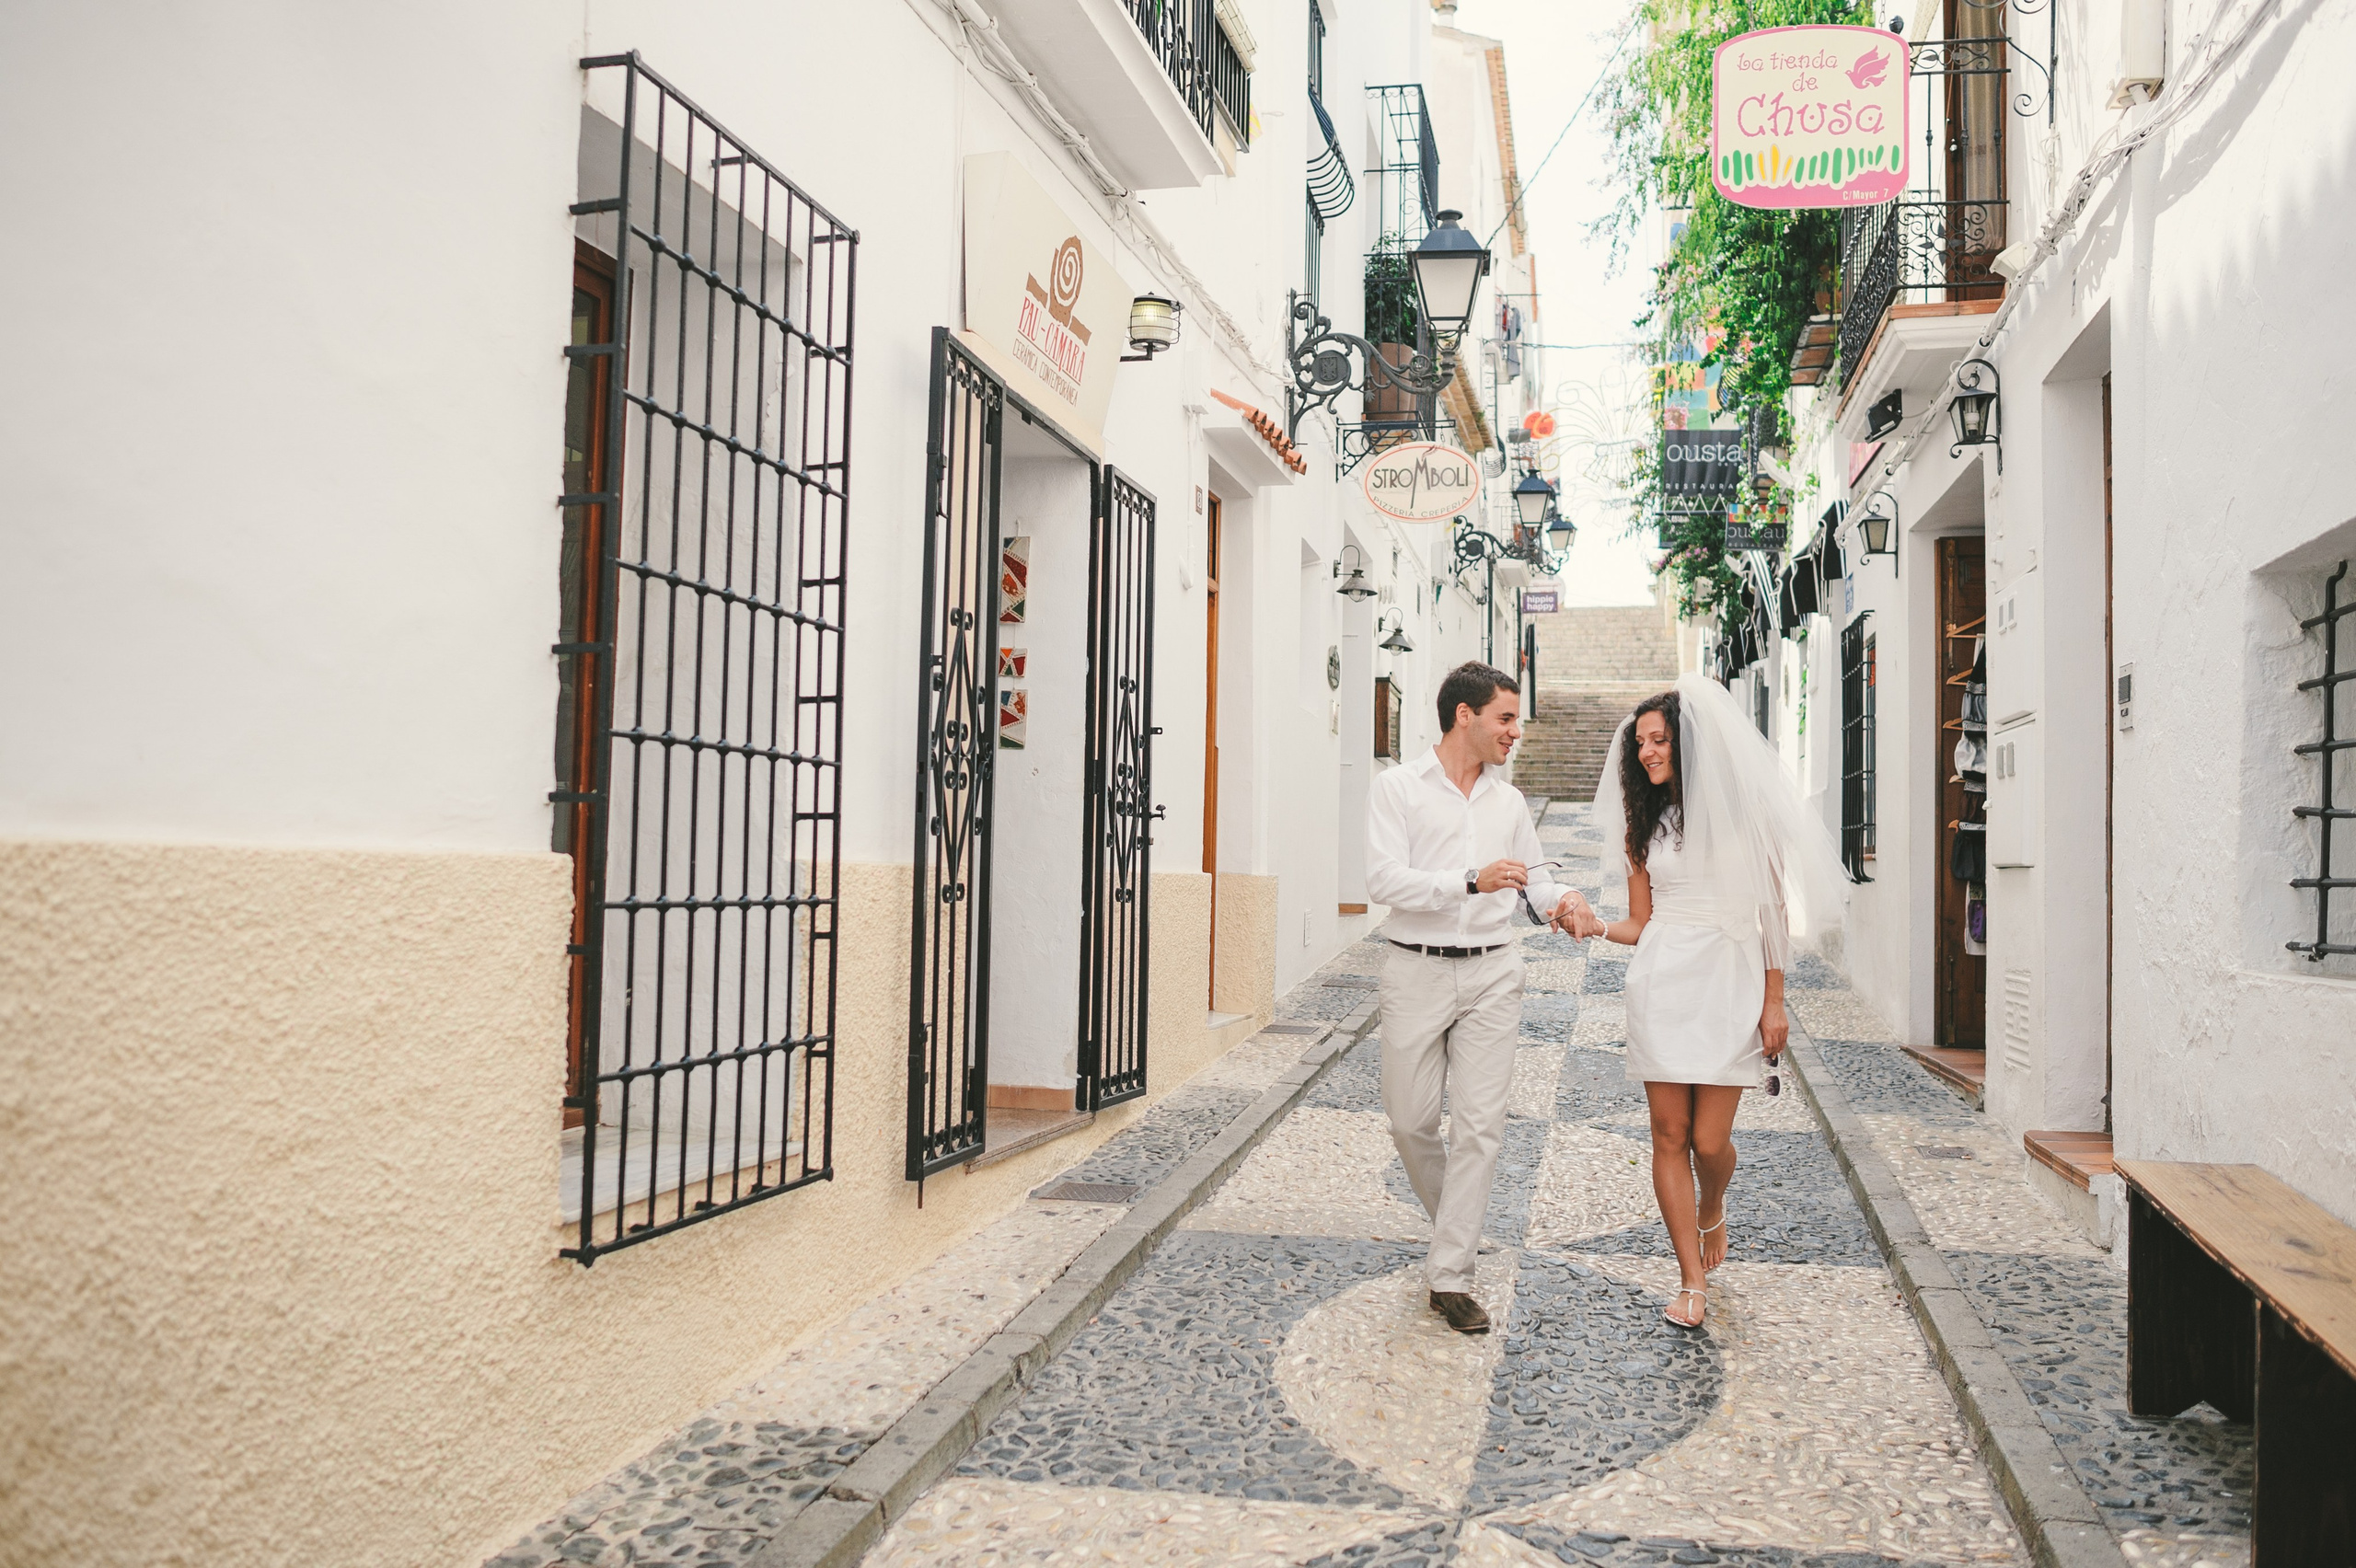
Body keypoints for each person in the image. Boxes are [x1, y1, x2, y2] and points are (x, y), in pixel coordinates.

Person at [1566, 673, 1846, 1330]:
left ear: (1689, 745)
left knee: (1711, 1140)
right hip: (1663, 980)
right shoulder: (1644, 822)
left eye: (1659, 741)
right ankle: (1691, 1280)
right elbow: (1640, 922)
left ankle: (1712, 1205)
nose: (1646, 754)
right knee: (1668, 1134)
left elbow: (1774, 914)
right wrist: (1595, 925)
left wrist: (1775, 1002)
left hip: (1731, 980)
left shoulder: (1750, 817)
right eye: (1640, 744)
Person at [1367, 661, 1591, 1335]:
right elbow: (1384, 881)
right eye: (1505, 718)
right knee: (1410, 1123)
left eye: (1515, 721)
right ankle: (1454, 1232)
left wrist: (1564, 901)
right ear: (1464, 715)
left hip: (1495, 971)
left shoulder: (1509, 802)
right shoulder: (1397, 789)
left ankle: (1451, 1275)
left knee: (1480, 1128)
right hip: (1415, 968)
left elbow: (1534, 877)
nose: (1515, 732)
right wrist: (1469, 881)